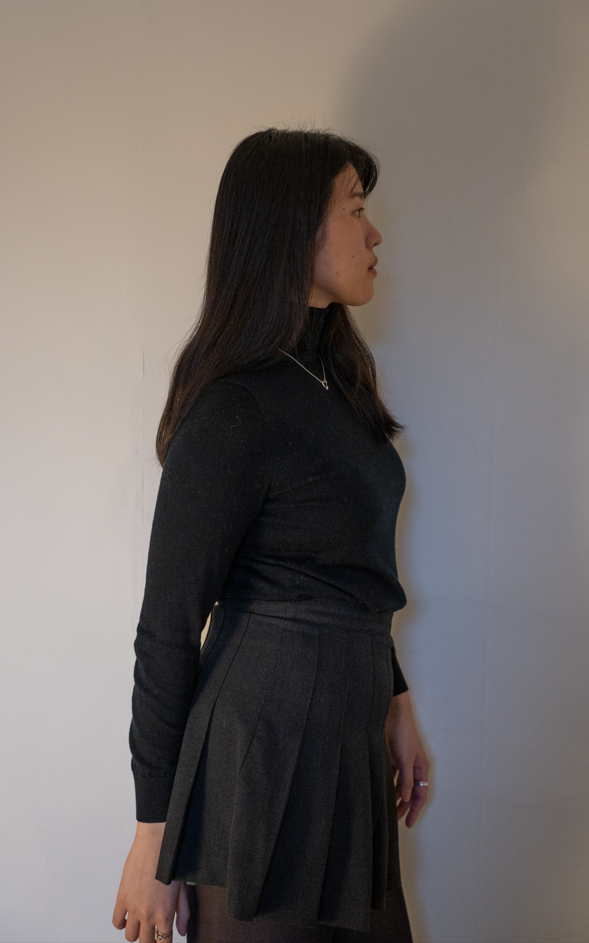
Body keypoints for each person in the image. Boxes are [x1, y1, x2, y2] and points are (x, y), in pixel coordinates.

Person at [112, 128, 429, 943]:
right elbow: (167, 627)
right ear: (291, 228)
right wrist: (153, 837)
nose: (374, 232)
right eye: (354, 208)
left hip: (347, 735)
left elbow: (346, 570)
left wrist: (394, 698)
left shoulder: (337, 386)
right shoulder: (234, 408)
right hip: (262, 749)